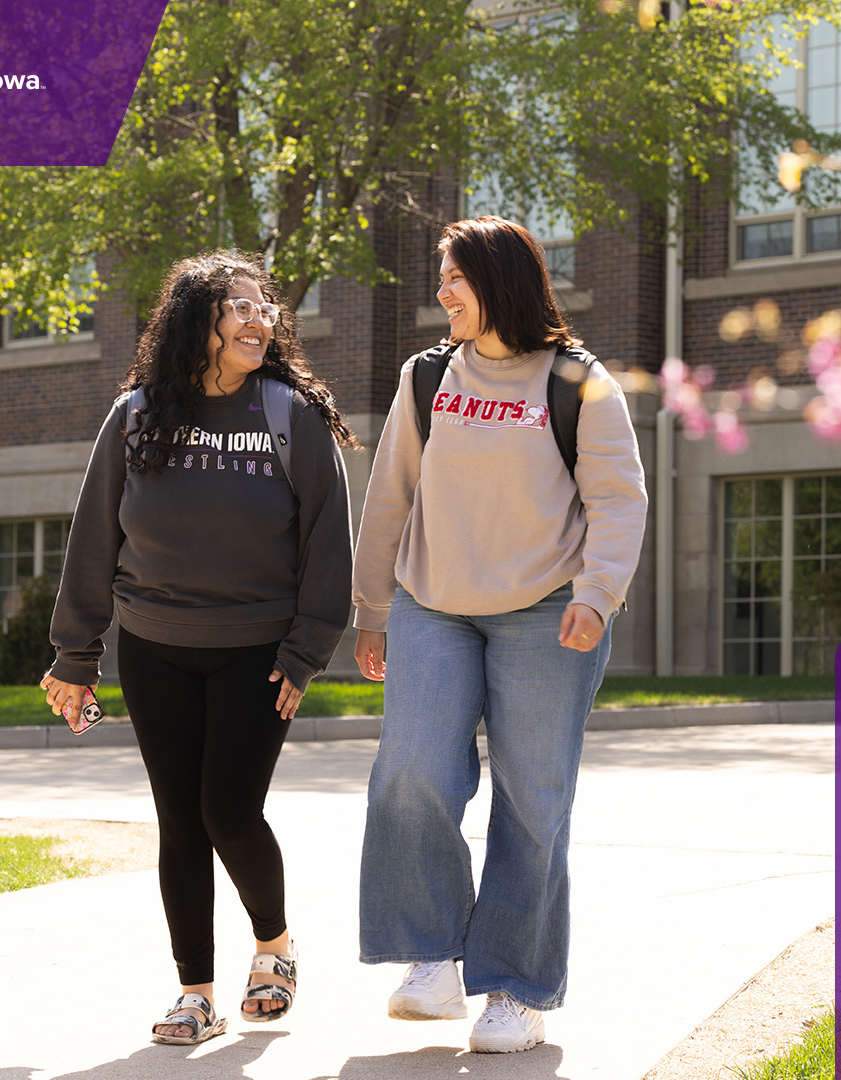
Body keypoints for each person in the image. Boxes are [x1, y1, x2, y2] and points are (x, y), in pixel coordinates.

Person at [42, 250, 356, 1046]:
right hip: (155, 647)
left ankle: (274, 946)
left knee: (230, 812)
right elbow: (94, 536)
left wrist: (306, 651)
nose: (260, 319)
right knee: (180, 821)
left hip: (259, 652)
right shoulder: (137, 414)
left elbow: (329, 543)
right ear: (198, 321)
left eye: (264, 308)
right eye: (239, 307)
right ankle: (195, 995)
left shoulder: (289, 414)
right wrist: (75, 656)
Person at [351, 216, 648, 1053]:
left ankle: (517, 988)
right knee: (411, 771)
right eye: (442, 277)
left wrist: (598, 594)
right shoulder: (427, 377)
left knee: (532, 796)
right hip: (433, 603)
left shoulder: (577, 379)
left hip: (548, 608)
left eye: (455, 277)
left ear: (499, 280)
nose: (441, 291)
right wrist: (371, 607)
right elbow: (389, 494)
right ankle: (432, 957)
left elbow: (618, 499)